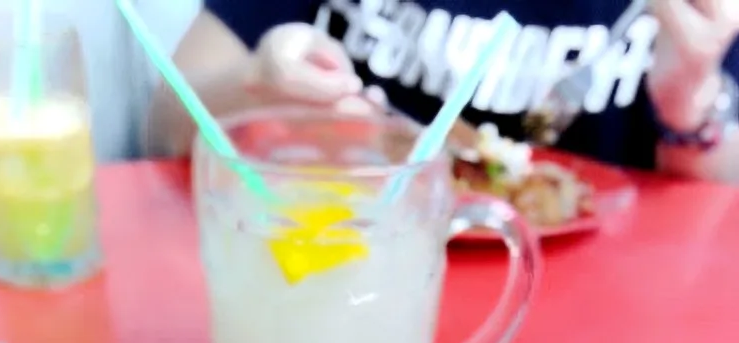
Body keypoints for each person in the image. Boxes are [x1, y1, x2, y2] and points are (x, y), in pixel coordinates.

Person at [149, 1, 739, 181]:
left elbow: (718, 205)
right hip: (345, 270)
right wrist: (260, 84)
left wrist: (688, 103)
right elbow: (168, 119)